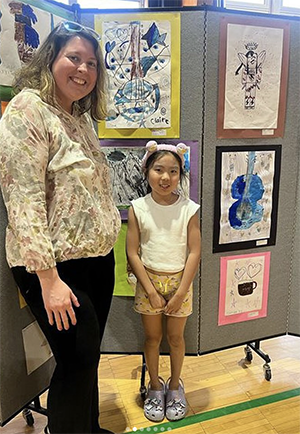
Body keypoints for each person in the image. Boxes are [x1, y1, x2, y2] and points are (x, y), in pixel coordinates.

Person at [0, 21, 121, 434]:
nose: (83, 69)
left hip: (97, 262)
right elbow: (23, 199)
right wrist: (48, 278)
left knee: (88, 359)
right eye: (74, 57)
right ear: (50, 58)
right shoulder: (28, 109)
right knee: (76, 361)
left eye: (92, 62)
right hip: (55, 268)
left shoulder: (80, 119)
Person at [126, 140, 201, 422]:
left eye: (172, 171)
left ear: (181, 173)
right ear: (147, 171)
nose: (165, 177)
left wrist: (182, 291)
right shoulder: (138, 207)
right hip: (149, 283)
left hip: (180, 282)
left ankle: (175, 385)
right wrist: (151, 290)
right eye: (159, 169)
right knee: (152, 338)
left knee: (176, 338)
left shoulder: (189, 209)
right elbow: (132, 252)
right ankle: (155, 386)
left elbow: (195, 251)